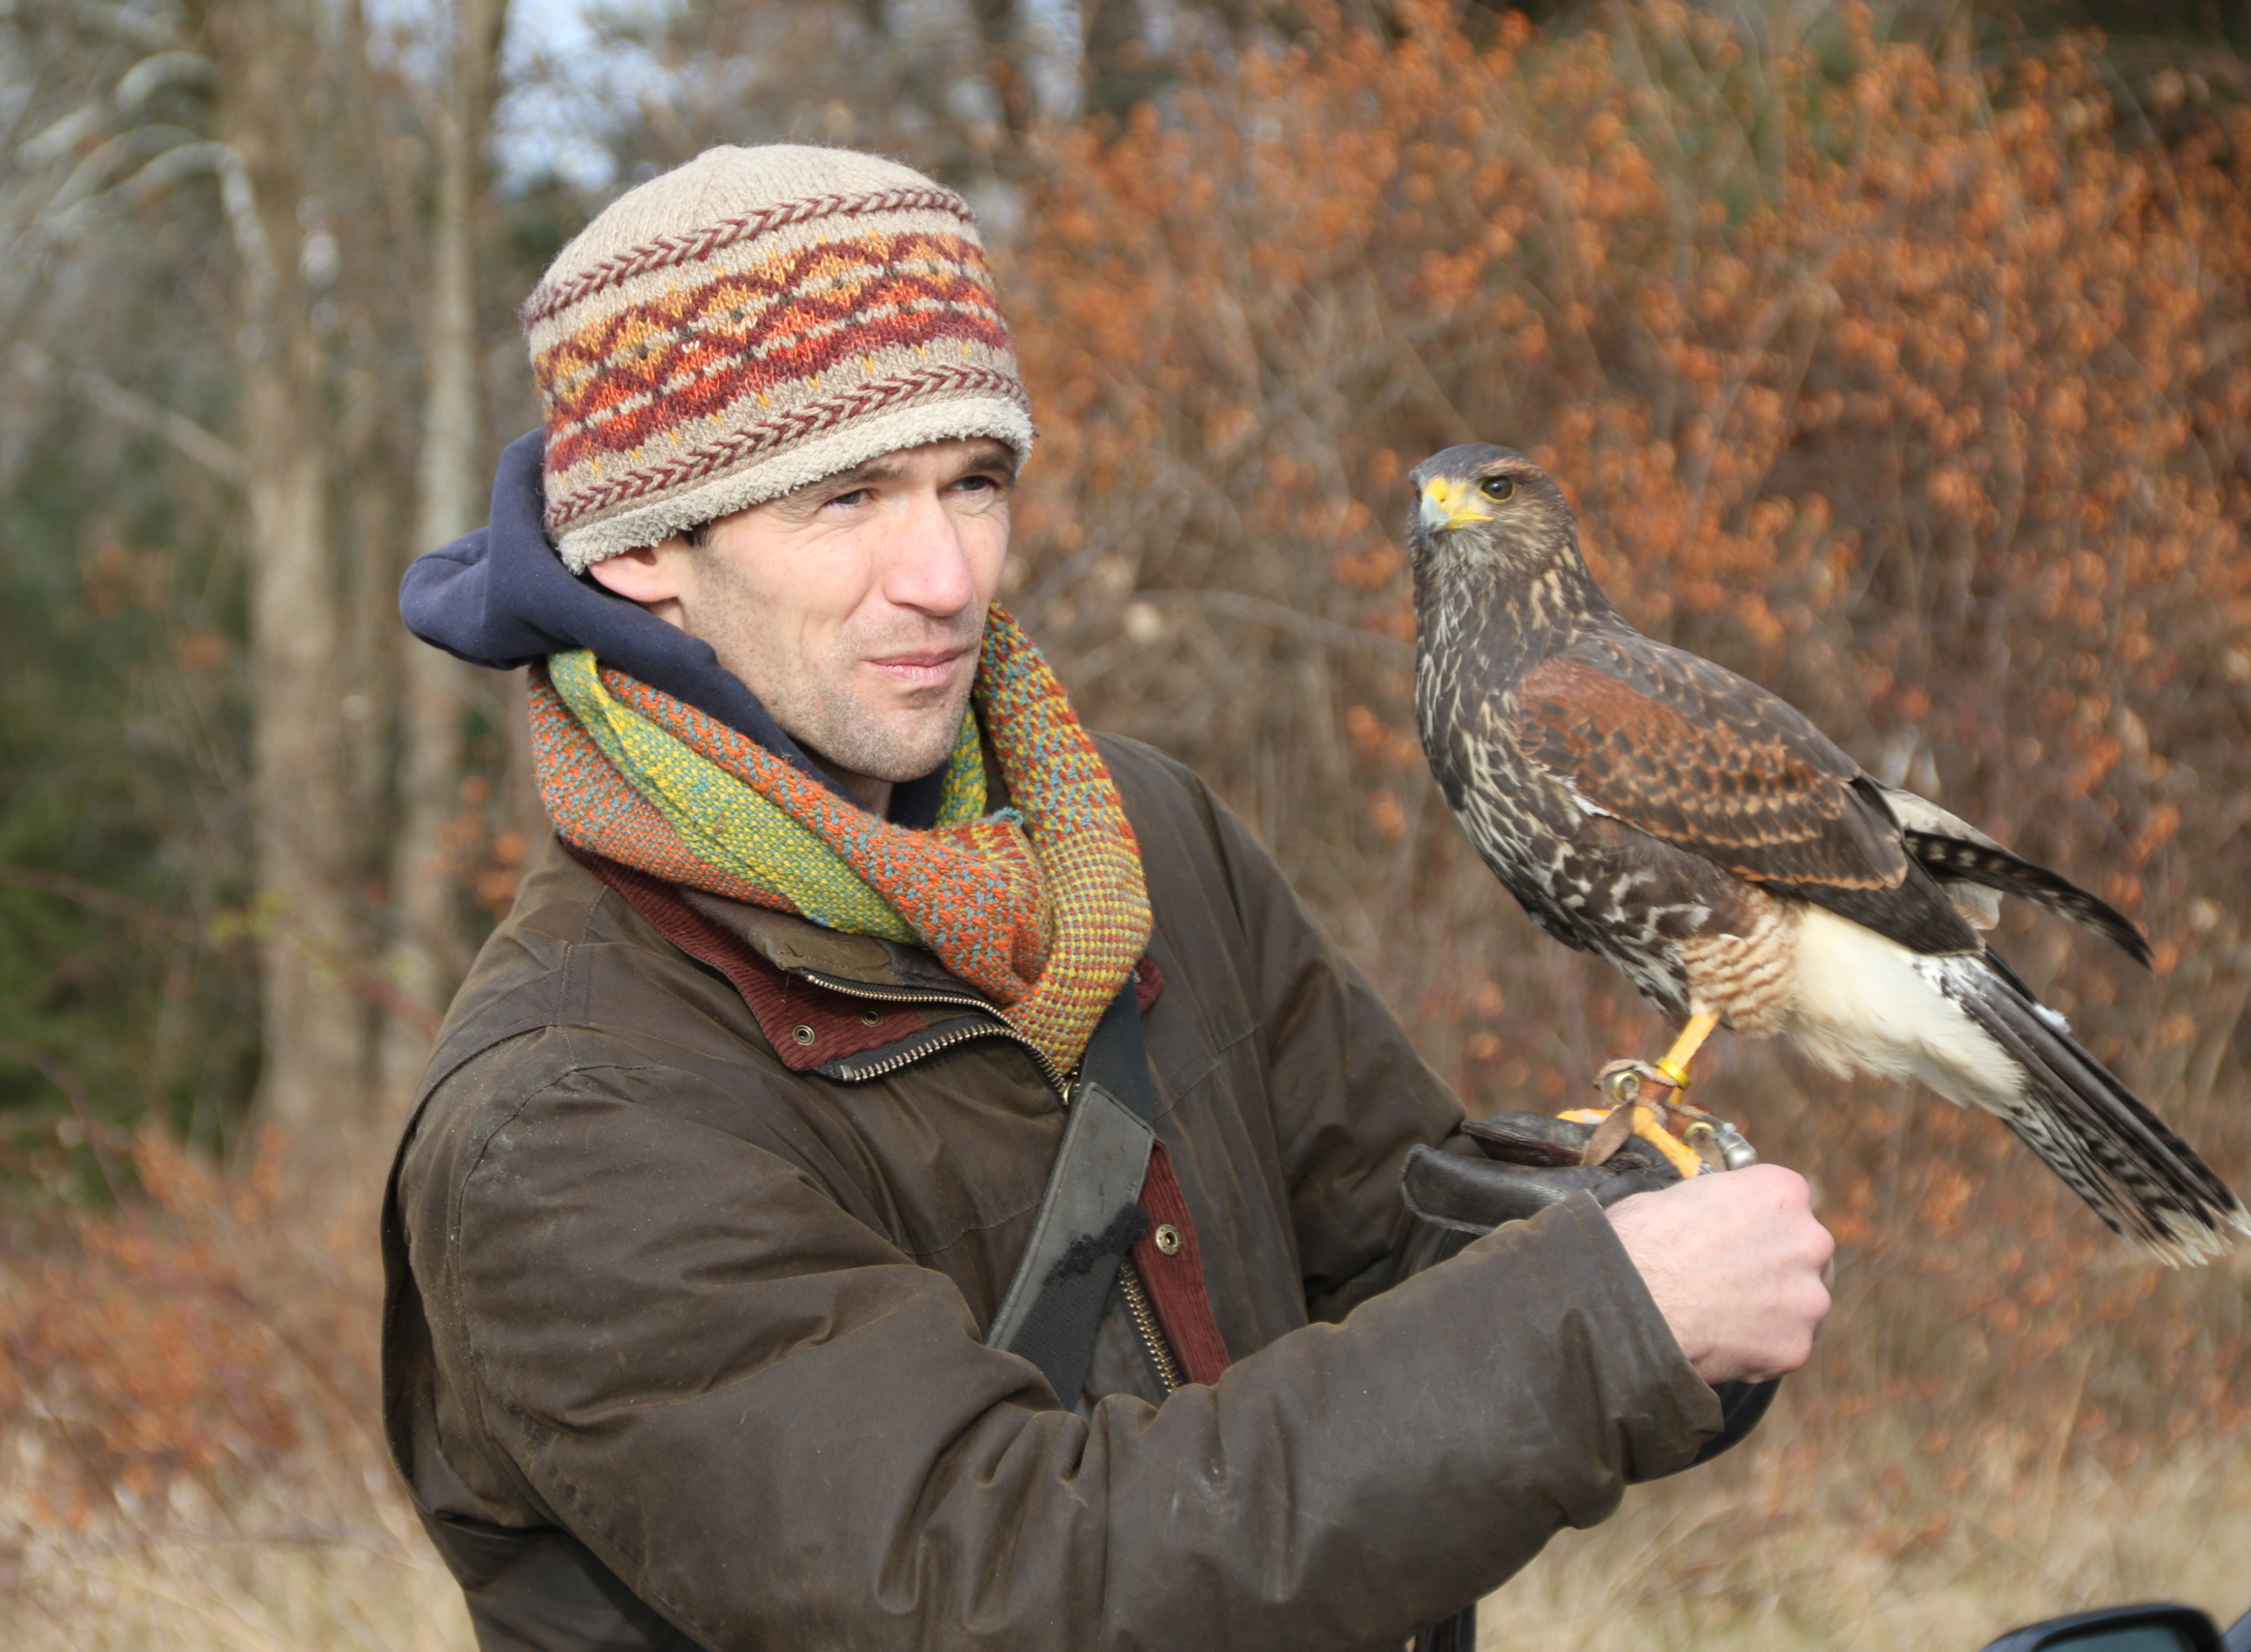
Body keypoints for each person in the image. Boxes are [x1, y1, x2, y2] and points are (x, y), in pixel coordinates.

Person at [381, 143, 1834, 1652]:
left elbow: (1393, 1244)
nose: (944, 573)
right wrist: (1590, 1327)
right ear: (635, 557)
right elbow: (987, 1578)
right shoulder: (562, 1120)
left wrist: (1638, 1227)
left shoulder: (1134, 833)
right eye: (847, 498)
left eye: (975, 482)